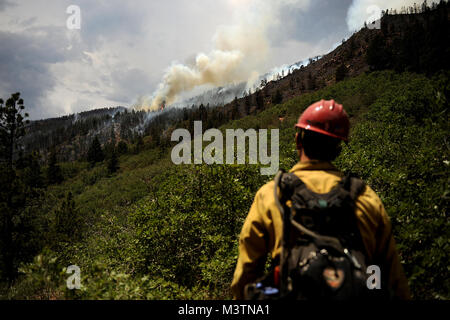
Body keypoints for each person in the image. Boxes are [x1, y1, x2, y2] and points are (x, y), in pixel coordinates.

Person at [231, 99, 410, 300]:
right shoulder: (366, 198)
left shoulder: (271, 195)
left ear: (298, 140)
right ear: (338, 149)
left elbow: (246, 274)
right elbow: (392, 279)